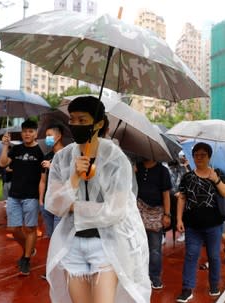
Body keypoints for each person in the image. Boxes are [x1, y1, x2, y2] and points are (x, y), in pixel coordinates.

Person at [44, 96, 150, 303]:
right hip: (72, 245)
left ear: (99, 123)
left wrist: (73, 207)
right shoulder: (62, 158)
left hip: (106, 246)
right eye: (72, 120)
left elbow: (115, 211)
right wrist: (74, 177)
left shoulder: (116, 160)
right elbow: (54, 205)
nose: (75, 125)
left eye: (82, 120)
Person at [176, 142, 225, 302]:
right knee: (191, 255)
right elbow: (182, 198)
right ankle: (187, 289)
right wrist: (179, 219)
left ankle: (214, 285)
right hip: (192, 226)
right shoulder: (188, 177)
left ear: (209, 157)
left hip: (214, 225)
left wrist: (216, 180)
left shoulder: (217, 173)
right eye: (196, 155)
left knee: (213, 256)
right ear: (192, 157)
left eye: (203, 155)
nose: (199, 158)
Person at [0, 119, 44, 276]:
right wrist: (5, 146)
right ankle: (29, 249)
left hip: (31, 197)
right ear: (22, 133)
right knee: (14, 229)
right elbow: (3, 163)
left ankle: (25, 259)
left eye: (31, 131)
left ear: (36, 133)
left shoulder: (40, 152)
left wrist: (41, 197)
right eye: (25, 131)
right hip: (14, 196)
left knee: (30, 229)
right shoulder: (16, 149)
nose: (27, 134)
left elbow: (44, 177)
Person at [135, 158, 172, 290]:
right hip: (138, 210)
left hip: (157, 212)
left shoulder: (163, 171)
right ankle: (139, 276)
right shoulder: (136, 167)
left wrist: (167, 214)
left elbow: (166, 193)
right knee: (137, 246)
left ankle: (154, 277)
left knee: (155, 248)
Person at [39, 122, 66, 238]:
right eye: (46, 136)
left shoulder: (68, 154)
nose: (47, 139)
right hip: (47, 202)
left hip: (60, 203)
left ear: (58, 136)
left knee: (58, 238)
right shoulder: (47, 156)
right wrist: (41, 200)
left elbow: (69, 179)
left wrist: (53, 167)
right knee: (50, 236)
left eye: (49, 135)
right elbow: (43, 180)